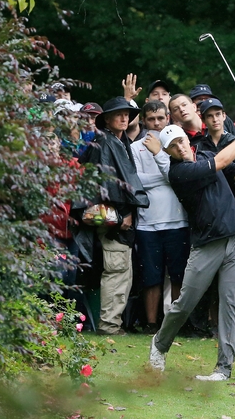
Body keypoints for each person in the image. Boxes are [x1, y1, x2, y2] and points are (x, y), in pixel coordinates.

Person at [148, 118, 235, 381]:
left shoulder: (206, 153)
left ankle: (224, 368)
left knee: (231, 304)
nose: (180, 147)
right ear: (167, 152)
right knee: (185, 303)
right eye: (173, 145)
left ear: (187, 140)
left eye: (181, 140)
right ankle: (160, 344)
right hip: (207, 244)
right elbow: (221, 163)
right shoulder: (178, 173)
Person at [78, 97, 149, 335]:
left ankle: (111, 322)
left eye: (127, 114)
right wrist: (125, 214)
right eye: (118, 114)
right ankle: (109, 325)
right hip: (113, 221)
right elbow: (108, 185)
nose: (124, 117)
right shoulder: (107, 143)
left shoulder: (114, 141)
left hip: (110, 219)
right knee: (117, 271)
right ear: (106, 119)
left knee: (120, 271)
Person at [132, 101, 191, 334]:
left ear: (168, 117)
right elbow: (137, 181)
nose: (156, 123)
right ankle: (151, 323)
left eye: (160, 118)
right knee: (151, 277)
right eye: (151, 119)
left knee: (178, 275)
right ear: (144, 121)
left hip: (177, 220)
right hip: (147, 223)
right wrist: (166, 176)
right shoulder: (136, 148)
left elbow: (178, 176)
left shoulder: (176, 144)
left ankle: (173, 323)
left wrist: (164, 172)